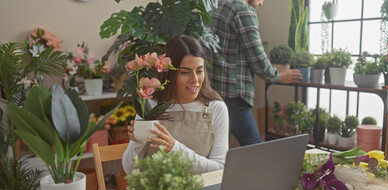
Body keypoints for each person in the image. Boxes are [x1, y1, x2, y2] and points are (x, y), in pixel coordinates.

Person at [122, 35, 229, 174]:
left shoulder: (216, 108)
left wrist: (175, 149)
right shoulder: (150, 105)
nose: (195, 80)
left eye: (199, 71)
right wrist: (137, 142)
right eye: (185, 72)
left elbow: (220, 168)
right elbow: (130, 170)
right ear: (170, 74)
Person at [208, 0, 302, 146]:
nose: (261, 3)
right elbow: (256, 57)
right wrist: (278, 76)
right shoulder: (242, 10)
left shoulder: (215, 7)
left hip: (213, 93)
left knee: (219, 151)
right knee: (254, 147)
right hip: (233, 95)